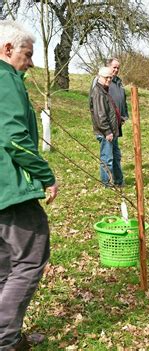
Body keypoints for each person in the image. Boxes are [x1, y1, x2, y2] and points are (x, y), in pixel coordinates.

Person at [0, 20, 59, 350]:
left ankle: (8, 333)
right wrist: (46, 175)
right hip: (9, 191)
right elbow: (14, 139)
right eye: (27, 54)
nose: (31, 63)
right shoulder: (5, 78)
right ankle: (4, 340)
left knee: (5, 264)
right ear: (7, 50)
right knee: (31, 257)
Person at [89, 66, 124, 187]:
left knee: (116, 157)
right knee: (107, 159)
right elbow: (100, 115)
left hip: (112, 131)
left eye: (111, 77)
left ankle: (118, 182)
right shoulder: (98, 92)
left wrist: (120, 119)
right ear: (99, 77)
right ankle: (107, 184)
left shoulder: (104, 90)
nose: (109, 79)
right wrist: (107, 131)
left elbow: (109, 111)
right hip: (106, 133)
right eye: (106, 77)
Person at [91, 58, 128, 137]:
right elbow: (96, 104)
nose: (116, 70)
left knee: (114, 148)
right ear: (108, 67)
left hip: (116, 122)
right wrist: (105, 128)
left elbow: (123, 100)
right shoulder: (101, 82)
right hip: (106, 124)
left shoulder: (119, 82)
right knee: (108, 147)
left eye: (118, 68)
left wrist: (124, 115)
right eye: (114, 67)